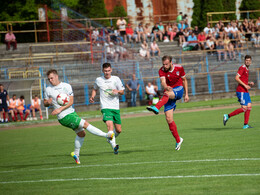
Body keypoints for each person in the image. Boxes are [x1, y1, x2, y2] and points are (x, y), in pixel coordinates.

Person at [44, 69, 114, 164]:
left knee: (82, 134)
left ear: (56, 76)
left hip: (71, 113)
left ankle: (76, 154)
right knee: (85, 123)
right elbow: (45, 103)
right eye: (49, 79)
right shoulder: (48, 89)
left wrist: (59, 108)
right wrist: (47, 103)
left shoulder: (66, 86)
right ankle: (107, 135)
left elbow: (71, 102)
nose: (50, 80)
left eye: (52, 78)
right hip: (64, 117)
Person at [146, 56, 189, 151]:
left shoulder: (179, 68)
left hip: (179, 89)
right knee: (169, 119)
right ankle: (178, 140)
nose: (165, 66)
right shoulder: (161, 70)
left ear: (171, 62)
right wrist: (166, 86)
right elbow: (162, 82)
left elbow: (184, 80)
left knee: (167, 94)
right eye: (163, 64)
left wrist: (186, 94)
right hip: (169, 93)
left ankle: (156, 107)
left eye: (166, 64)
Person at [89, 63, 125, 154]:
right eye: (105, 71)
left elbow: (122, 92)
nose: (107, 72)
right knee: (110, 126)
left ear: (111, 70)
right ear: (102, 71)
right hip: (105, 107)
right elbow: (94, 89)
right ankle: (114, 146)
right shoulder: (99, 80)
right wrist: (92, 96)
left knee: (119, 130)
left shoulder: (116, 79)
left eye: (108, 70)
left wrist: (118, 91)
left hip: (115, 107)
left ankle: (110, 139)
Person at [223, 55, 254, 129]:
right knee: (244, 108)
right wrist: (245, 85)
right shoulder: (242, 68)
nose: (248, 61)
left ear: (251, 61)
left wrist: (248, 83)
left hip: (245, 91)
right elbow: (236, 78)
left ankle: (245, 125)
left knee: (249, 107)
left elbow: (242, 80)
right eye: (246, 60)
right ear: (244, 61)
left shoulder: (247, 69)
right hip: (241, 91)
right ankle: (227, 116)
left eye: (249, 60)